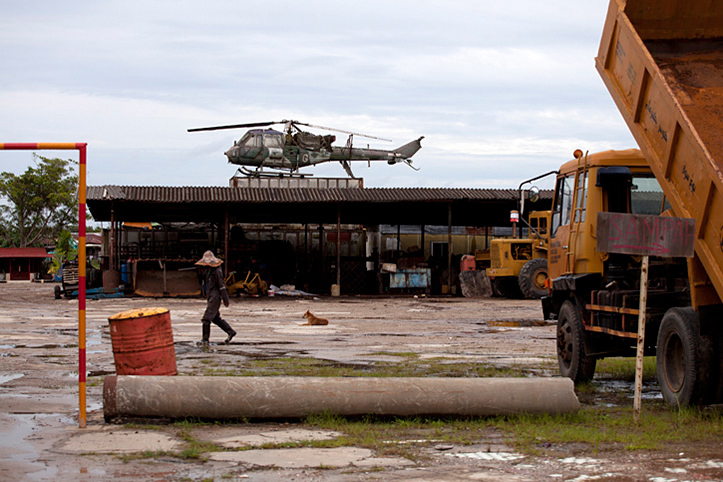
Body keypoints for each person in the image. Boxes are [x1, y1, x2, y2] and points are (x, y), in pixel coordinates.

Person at [195, 250, 236, 346]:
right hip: (210, 297)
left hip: (215, 298)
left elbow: (222, 286)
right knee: (215, 318)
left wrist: (225, 299)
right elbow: (200, 280)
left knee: (206, 319)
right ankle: (230, 332)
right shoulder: (208, 271)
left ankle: (205, 339)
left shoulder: (217, 271)